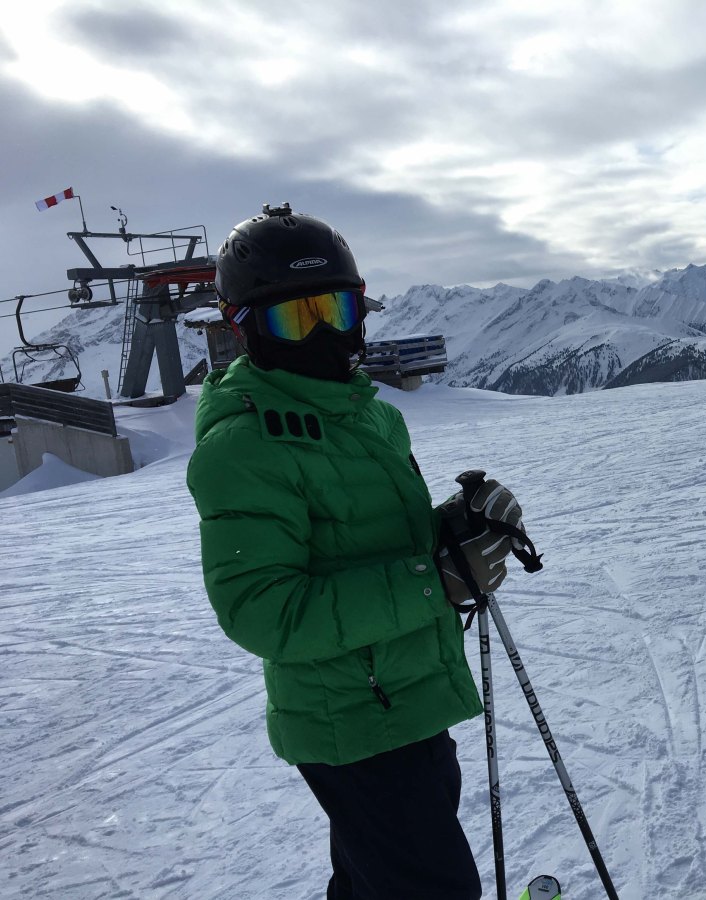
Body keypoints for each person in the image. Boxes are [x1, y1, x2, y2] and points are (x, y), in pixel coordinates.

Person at [187, 203, 524, 899]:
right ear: (243, 327)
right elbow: (264, 612)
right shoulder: (244, 446)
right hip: (351, 720)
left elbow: (375, 539)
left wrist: (456, 527)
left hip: (408, 694)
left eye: (333, 308)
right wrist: (437, 582)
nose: (321, 332)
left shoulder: (370, 414)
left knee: (377, 878)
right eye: (291, 317)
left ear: (359, 307)